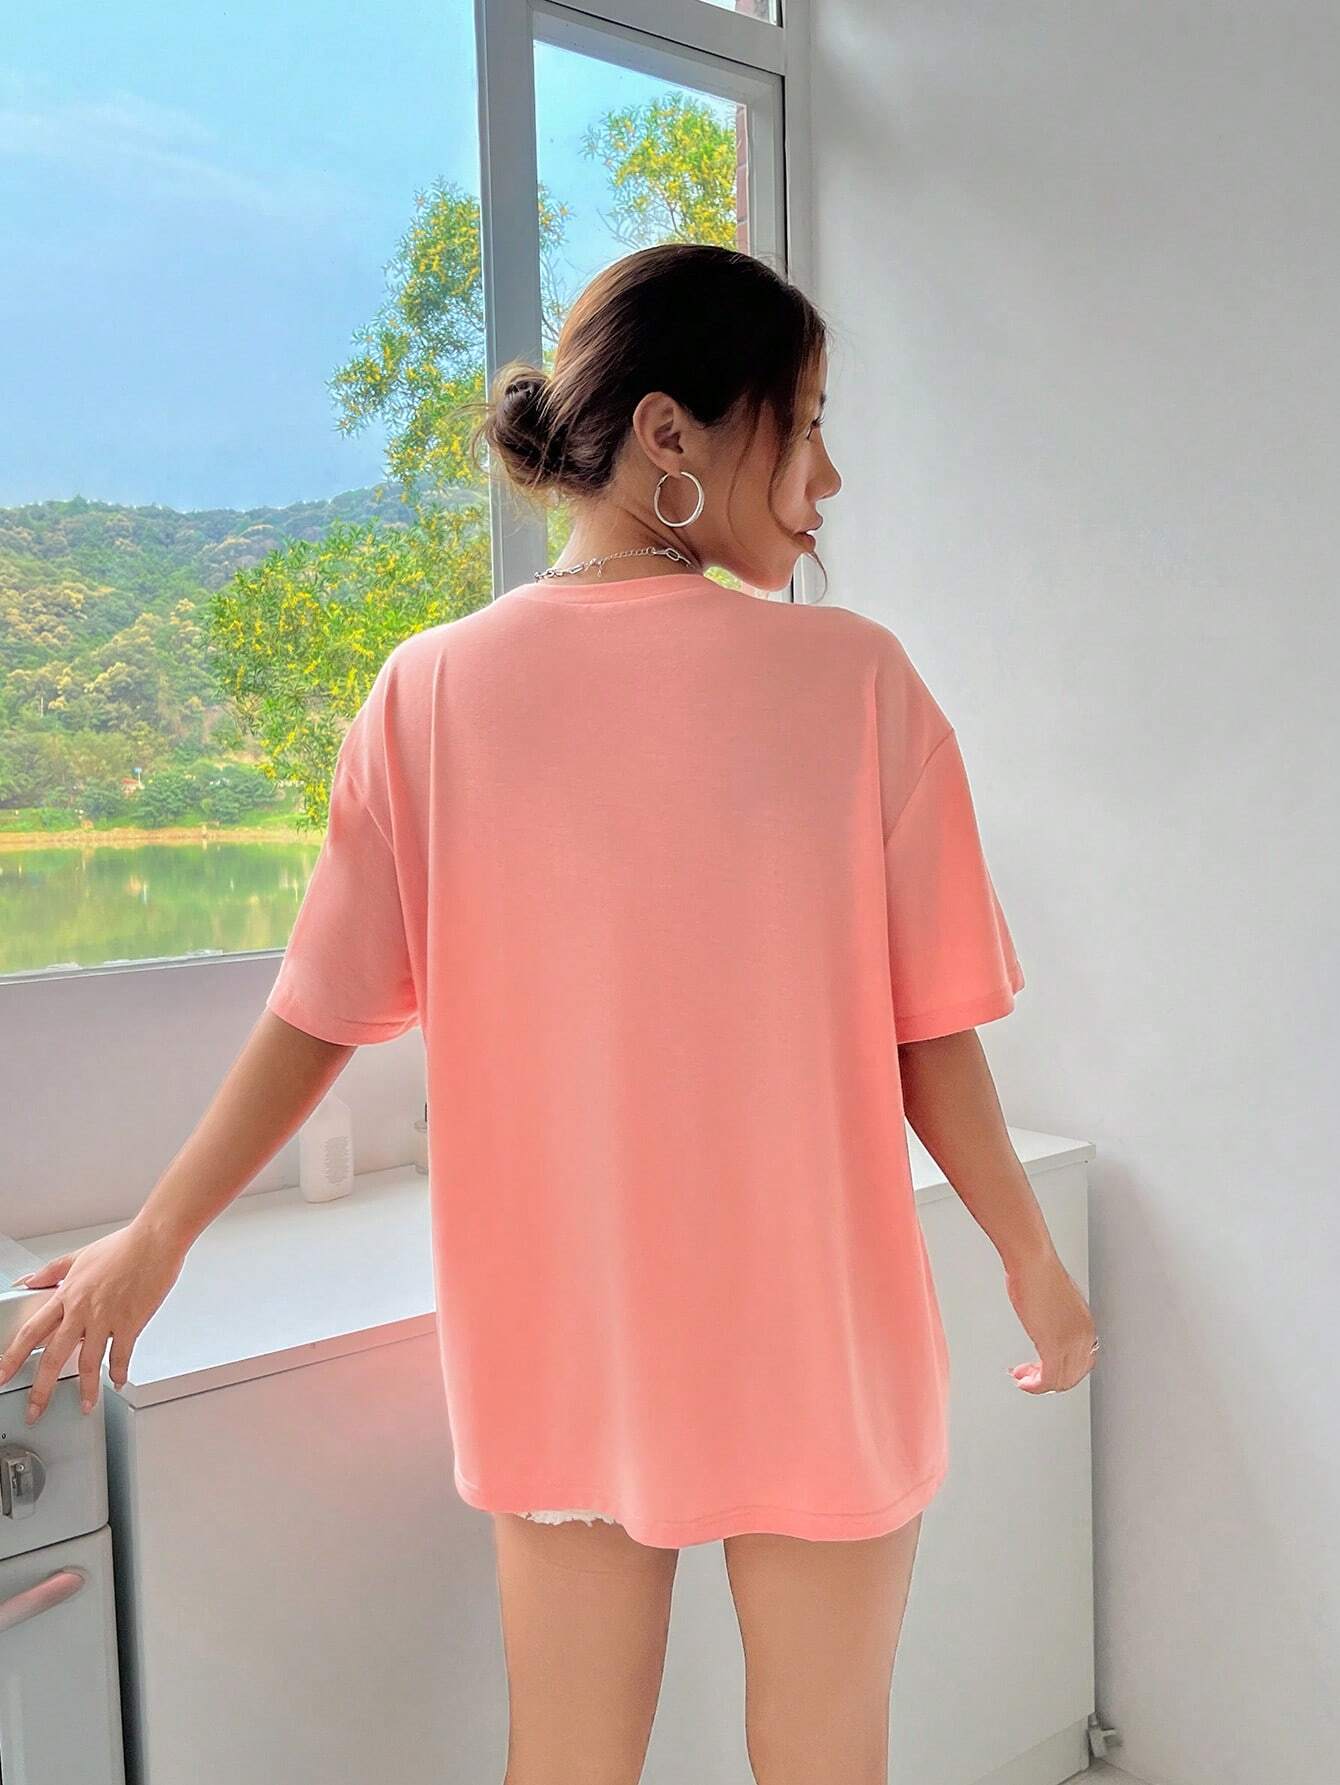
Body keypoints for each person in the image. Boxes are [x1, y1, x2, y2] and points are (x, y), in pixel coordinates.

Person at [0, 242, 1096, 1785]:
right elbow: (932, 1039)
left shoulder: (429, 690)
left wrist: (159, 1233)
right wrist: (1032, 1259)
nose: (830, 475)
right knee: (827, 1757)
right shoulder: (858, 682)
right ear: (670, 433)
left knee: (568, 1761)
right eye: (804, 422)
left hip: (570, 1337)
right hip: (817, 1325)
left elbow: (319, 1012)